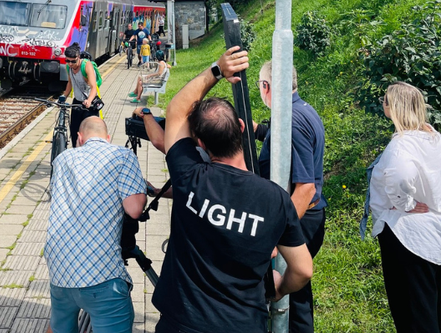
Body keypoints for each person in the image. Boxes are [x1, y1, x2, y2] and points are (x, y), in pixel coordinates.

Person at [152, 46, 313, 333]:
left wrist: (217, 69)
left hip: (181, 322)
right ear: (242, 127)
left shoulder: (189, 176)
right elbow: (302, 270)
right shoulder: (274, 199)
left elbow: (177, 109)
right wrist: (278, 291)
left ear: (199, 143)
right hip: (242, 325)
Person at [368, 82, 441, 333]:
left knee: (410, 314)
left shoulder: (401, 144)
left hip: (406, 238)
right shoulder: (433, 136)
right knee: (428, 306)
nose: (383, 104)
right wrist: (435, 185)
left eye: (385, 100)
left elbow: (400, 176)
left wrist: (406, 203)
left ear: (394, 108)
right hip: (437, 233)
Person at [45, 117, 147, 333]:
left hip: (60, 270)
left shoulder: (62, 159)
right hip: (100, 274)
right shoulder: (121, 155)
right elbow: (134, 208)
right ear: (108, 139)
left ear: (79, 138)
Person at [254, 61, 326, 333]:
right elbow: (280, 139)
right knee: (299, 296)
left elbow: (305, 188)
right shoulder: (301, 109)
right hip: (311, 215)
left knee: (292, 299)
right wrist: (252, 128)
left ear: (266, 86)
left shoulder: (291, 122)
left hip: (302, 217)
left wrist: (276, 235)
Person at [62, 43, 99, 148]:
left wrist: (89, 100)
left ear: (78, 58)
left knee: (89, 133)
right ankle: (76, 152)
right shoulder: (69, 67)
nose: (70, 64)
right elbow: (70, 83)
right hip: (77, 102)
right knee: (74, 131)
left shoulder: (86, 65)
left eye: (73, 61)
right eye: (67, 61)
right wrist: (64, 96)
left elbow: (93, 87)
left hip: (90, 104)